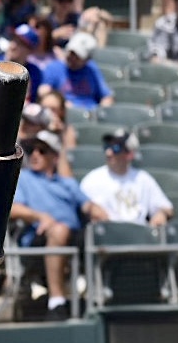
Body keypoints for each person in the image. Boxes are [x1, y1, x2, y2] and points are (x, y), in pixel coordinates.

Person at [9, 130, 108, 319]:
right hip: (38, 239)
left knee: (100, 232)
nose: (35, 155)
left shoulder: (67, 183)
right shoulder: (23, 178)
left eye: (42, 150)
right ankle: (57, 302)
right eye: (31, 150)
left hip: (74, 237)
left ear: (55, 157)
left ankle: (107, 295)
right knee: (59, 230)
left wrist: (99, 213)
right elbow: (11, 209)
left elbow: (88, 205)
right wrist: (39, 216)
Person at [78, 128, 174, 225]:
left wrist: (161, 214)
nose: (108, 153)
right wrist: (90, 209)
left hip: (138, 235)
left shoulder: (143, 179)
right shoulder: (93, 179)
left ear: (129, 154)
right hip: (108, 234)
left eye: (115, 148)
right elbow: (79, 208)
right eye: (107, 147)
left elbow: (166, 208)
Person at [41, 33, 114, 110]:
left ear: (87, 59)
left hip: (89, 114)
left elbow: (106, 96)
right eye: (71, 53)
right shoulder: (54, 68)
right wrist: (61, 104)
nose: (72, 58)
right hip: (63, 112)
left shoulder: (91, 69)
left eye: (77, 56)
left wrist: (102, 111)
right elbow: (44, 91)